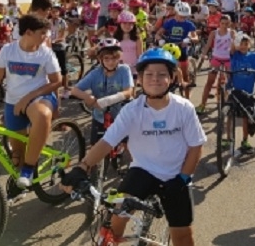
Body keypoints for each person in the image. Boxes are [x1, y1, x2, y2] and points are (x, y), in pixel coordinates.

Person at [61, 49, 206, 246]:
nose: (155, 79)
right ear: (140, 80)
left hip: (176, 175)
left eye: (162, 74)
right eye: (149, 74)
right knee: (115, 222)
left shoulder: (183, 108)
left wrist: (183, 177)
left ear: (172, 78)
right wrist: (82, 167)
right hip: (143, 170)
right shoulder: (132, 110)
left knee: (183, 237)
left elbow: (196, 147)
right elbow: (107, 142)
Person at [0, 15, 61, 189]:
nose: (46, 38)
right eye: (43, 34)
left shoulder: (45, 53)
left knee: (41, 115)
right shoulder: (8, 50)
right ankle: (20, 182)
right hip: (12, 102)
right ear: (29, 33)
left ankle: (29, 169)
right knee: (17, 153)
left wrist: (31, 97)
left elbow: (57, 81)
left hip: (40, 98)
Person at [71, 38, 134, 145]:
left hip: (121, 114)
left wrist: (104, 101)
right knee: (95, 146)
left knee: (128, 145)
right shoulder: (95, 73)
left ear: (119, 58)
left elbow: (128, 92)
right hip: (100, 116)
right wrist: (87, 97)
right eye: (106, 59)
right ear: (100, 59)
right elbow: (75, 90)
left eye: (114, 58)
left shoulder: (124, 70)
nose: (110, 62)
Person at [156, 2, 198, 99]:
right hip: (169, 49)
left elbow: (196, 37)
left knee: (185, 76)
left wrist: (190, 39)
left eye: (185, 17)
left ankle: (187, 99)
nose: (183, 18)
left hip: (182, 50)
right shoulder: (169, 22)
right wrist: (160, 39)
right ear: (176, 12)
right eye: (181, 16)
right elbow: (158, 33)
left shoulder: (189, 24)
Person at [196, 15, 235, 115]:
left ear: (230, 24)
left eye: (227, 24)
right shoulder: (214, 33)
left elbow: (235, 46)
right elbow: (208, 45)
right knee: (209, 82)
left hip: (228, 59)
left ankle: (229, 103)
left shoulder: (231, 33)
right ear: (219, 23)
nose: (224, 26)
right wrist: (203, 55)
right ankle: (202, 105)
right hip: (216, 59)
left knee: (230, 82)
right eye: (222, 23)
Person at [113, 12, 144, 78]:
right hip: (119, 67)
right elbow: (113, 54)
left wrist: (140, 68)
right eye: (124, 23)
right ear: (119, 24)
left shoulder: (137, 38)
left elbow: (140, 55)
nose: (127, 26)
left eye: (130, 24)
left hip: (133, 68)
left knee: (132, 87)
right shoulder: (115, 38)